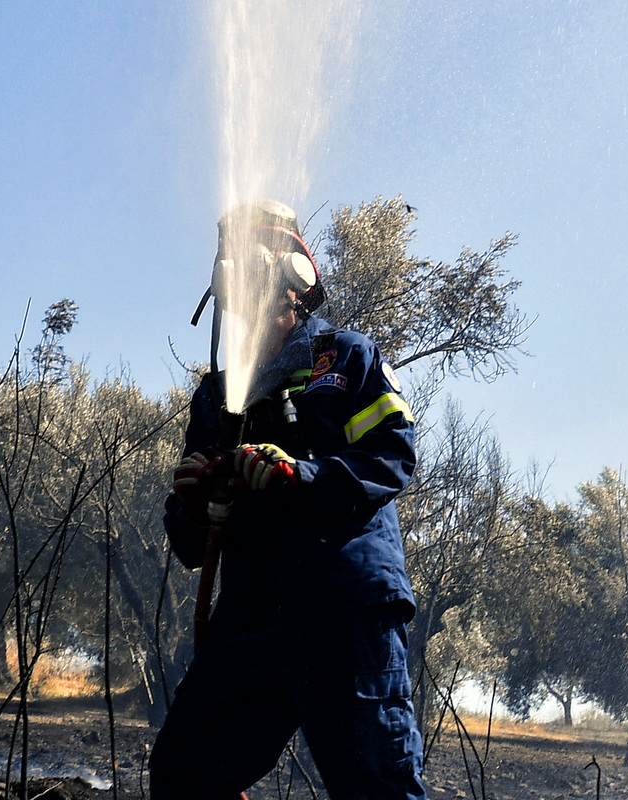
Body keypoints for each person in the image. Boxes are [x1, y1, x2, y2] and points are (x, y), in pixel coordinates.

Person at [148, 199, 428, 800]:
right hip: (253, 615)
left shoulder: (348, 359)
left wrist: (301, 476)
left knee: (377, 791)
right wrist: (194, 505)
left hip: (344, 608)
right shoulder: (217, 396)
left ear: (295, 283)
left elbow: (392, 456)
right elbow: (192, 545)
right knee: (182, 774)